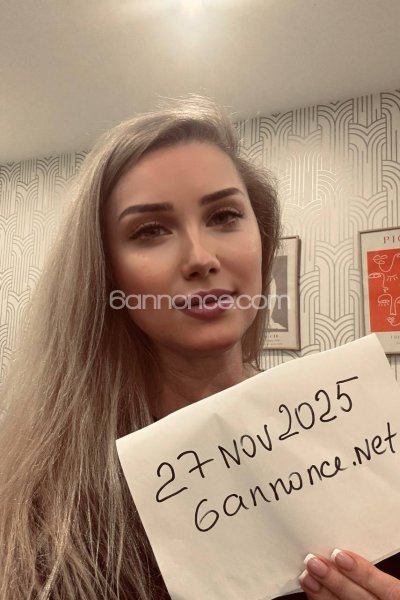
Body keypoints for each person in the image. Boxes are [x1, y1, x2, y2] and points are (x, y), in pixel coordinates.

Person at [0, 94, 399, 600]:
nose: (200, 257)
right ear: (106, 273)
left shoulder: (356, 435)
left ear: (262, 238)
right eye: (150, 230)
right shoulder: (50, 512)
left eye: (224, 216)